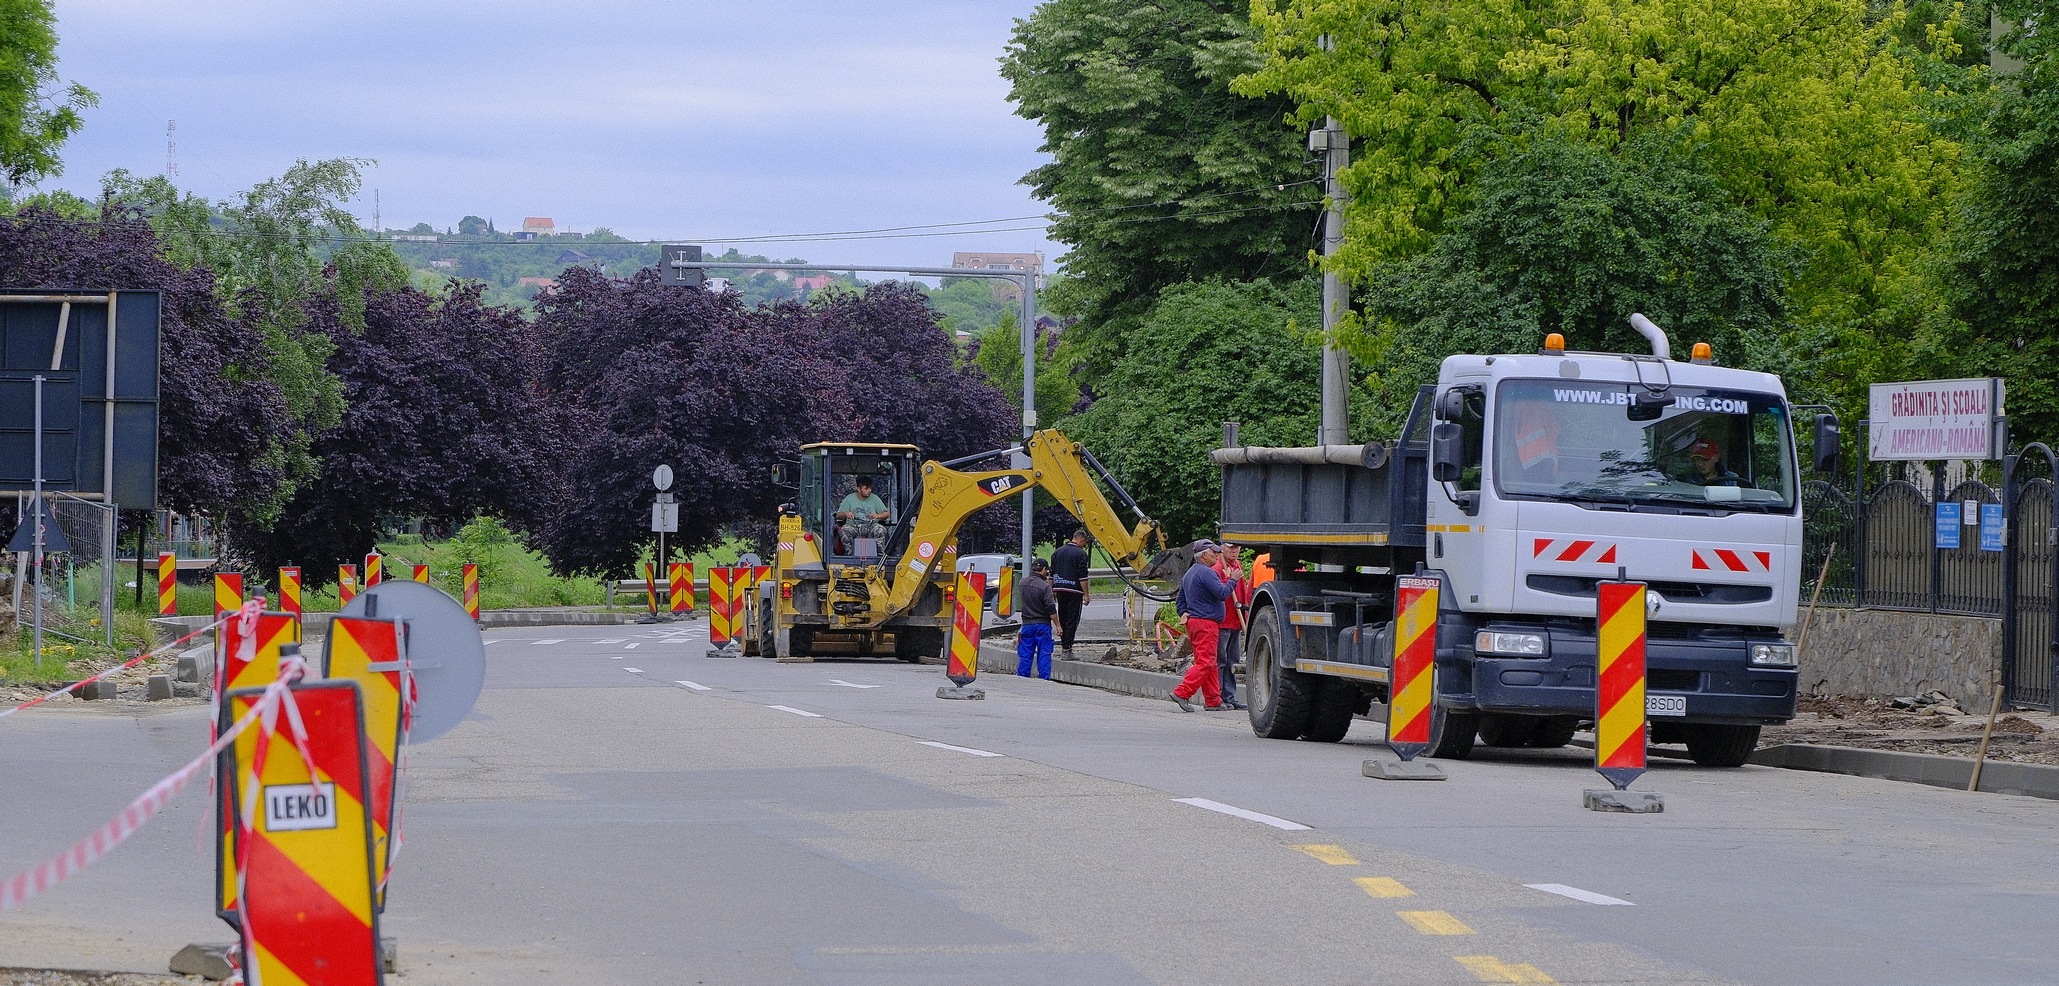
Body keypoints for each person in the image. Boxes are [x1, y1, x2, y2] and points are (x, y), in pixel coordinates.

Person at [1170, 540, 1235, 712]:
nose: (1216, 555)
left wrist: (1183, 613)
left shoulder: (1190, 573)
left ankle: (1213, 700)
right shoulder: (1207, 573)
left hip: (1195, 622)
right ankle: (1182, 693)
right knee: (1206, 662)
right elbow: (1222, 593)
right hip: (1206, 623)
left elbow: (1180, 600)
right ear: (1204, 555)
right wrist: (1232, 580)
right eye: (1213, 552)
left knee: (1208, 662)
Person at [1213, 542, 1252, 710]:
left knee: (1232, 661)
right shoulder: (1217, 566)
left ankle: (1230, 696)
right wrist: (1229, 579)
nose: (1235, 550)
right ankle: (1218, 696)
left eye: (1237, 548)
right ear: (1222, 548)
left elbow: (1243, 592)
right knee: (1220, 660)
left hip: (1236, 621)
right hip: (1223, 621)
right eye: (1231, 547)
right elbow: (1219, 592)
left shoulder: (1236, 565)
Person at [1050, 528, 1091, 658]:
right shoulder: (1081, 554)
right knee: (1072, 620)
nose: (1084, 545)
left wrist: (1051, 590)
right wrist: (1086, 594)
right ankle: (1067, 649)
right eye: (1084, 543)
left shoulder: (1057, 552)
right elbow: (1082, 577)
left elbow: (1052, 574)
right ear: (1082, 539)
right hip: (1074, 591)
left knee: (1062, 618)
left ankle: (1064, 645)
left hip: (1060, 590)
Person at [1016, 557, 1058, 679]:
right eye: (1047, 571)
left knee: (1025, 654)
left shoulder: (1022, 583)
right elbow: (1051, 608)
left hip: (1027, 625)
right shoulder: (1044, 587)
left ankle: (1022, 678)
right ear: (1044, 569)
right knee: (1044, 654)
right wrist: (1058, 625)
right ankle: (1044, 680)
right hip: (1042, 625)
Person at [835, 477, 891, 551]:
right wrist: (846, 514)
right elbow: (838, 515)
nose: (869, 491)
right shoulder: (849, 498)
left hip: (871, 525)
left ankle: (879, 555)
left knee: (880, 529)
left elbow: (886, 514)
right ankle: (849, 554)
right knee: (844, 530)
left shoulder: (875, 498)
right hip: (853, 525)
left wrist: (878, 516)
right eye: (866, 488)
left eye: (870, 488)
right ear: (859, 489)